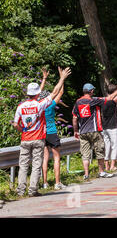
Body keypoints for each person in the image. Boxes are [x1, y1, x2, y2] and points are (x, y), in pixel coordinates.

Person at [13, 67, 71, 197]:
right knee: (36, 165)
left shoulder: (20, 106)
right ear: (38, 94)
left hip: (25, 139)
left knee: (23, 166)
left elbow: (15, 124)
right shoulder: (40, 105)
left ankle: (20, 190)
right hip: (38, 138)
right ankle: (33, 190)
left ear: (27, 93)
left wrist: (22, 130)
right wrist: (62, 78)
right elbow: (56, 91)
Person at [72, 82, 117, 181]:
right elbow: (109, 98)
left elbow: (74, 118)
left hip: (82, 132)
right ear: (91, 91)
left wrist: (75, 131)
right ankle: (101, 172)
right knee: (100, 151)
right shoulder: (93, 100)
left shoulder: (77, 102)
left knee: (85, 154)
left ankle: (86, 174)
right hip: (94, 130)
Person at [39, 68, 68, 190]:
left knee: (44, 158)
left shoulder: (38, 105)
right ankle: (57, 183)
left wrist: (44, 79)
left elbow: (39, 92)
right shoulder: (50, 105)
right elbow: (60, 92)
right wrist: (62, 78)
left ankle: (45, 183)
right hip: (52, 132)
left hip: (42, 133)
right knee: (56, 157)